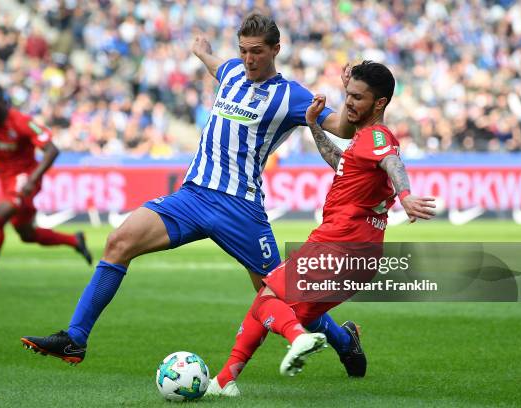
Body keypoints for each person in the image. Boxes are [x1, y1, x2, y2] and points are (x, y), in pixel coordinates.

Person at [20, 12, 356, 366]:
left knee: (277, 293)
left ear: (276, 49)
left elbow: (342, 128)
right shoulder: (231, 71)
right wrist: (202, 51)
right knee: (119, 242)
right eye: (242, 50)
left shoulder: (291, 96)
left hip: (239, 208)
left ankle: (343, 339)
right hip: (192, 197)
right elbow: (217, 65)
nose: (248, 59)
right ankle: (75, 338)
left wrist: (349, 95)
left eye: (257, 51)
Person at [206, 61, 437, 396]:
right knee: (276, 309)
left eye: (358, 97)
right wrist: (313, 125)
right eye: (348, 95)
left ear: (380, 103)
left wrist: (406, 195)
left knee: (265, 302)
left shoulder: (376, 136)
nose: (349, 103)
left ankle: (298, 340)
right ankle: (224, 382)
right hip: (362, 257)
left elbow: (393, 163)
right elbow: (340, 162)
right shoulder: (364, 142)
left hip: (339, 244)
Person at [0, 83, 92, 291]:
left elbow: (52, 150)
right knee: (26, 234)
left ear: (5, 102)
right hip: (5, 181)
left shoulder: (22, 122)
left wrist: (33, 179)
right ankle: (74, 240)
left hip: (26, 179)